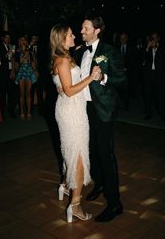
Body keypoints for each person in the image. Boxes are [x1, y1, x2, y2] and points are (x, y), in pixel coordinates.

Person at [73, 12, 127, 222]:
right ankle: (100, 183)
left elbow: (122, 80)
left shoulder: (109, 51)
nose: (81, 31)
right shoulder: (80, 52)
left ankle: (115, 204)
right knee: (92, 153)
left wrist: (103, 77)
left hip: (103, 110)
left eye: (85, 28)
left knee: (106, 154)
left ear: (96, 30)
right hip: (83, 109)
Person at [50, 23, 101, 223]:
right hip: (72, 112)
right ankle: (76, 205)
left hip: (72, 109)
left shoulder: (64, 57)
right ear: (62, 39)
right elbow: (69, 90)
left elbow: (62, 86)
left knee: (70, 151)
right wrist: (91, 77)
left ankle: (64, 184)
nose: (75, 36)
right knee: (78, 157)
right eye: (71, 34)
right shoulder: (63, 60)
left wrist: (62, 86)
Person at [14, 35, 37, 119]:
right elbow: (16, 66)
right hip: (21, 73)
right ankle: (21, 112)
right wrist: (22, 59)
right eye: (21, 40)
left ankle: (29, 112)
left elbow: (35, 64)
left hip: (29, 72)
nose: (23, 42)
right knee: (21, 94)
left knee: (28, 93)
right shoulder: (17, 52)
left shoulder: (30, 52)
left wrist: (32, 60)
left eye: (24, 40)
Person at [0, 31, 17, 119]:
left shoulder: (12, 46)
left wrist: (13, 71)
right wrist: (8, 52)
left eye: (9, 38)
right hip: (2, 73)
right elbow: (0, 59)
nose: (8, 39)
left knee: (11, 92)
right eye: (6, 37)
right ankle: (1, 113)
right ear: (2, 38)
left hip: (11, 71)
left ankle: (11, 111)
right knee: (2, 93)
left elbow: (14, 58)